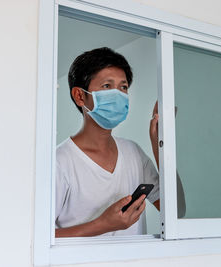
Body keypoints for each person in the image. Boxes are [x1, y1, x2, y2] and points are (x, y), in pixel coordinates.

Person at [55, 47, 161, 237]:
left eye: (123, 87)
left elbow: (178, 211)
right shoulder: (59, 161)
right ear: (80, 96)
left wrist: (161, 147)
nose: (118, 95)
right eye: (106, 86)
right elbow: (38, 239)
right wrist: (102, 224)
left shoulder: (134, 153)